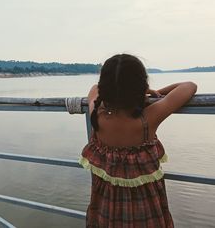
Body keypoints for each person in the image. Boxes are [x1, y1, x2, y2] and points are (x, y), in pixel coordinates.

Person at [79, 54, 197, 228]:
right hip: (146, 211)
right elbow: (190, 86)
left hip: (107, 208)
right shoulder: (147, 119)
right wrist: (153, 92)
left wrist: (136, 92)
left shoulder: (97, 114)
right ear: (141, 85)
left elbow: (94, 88)